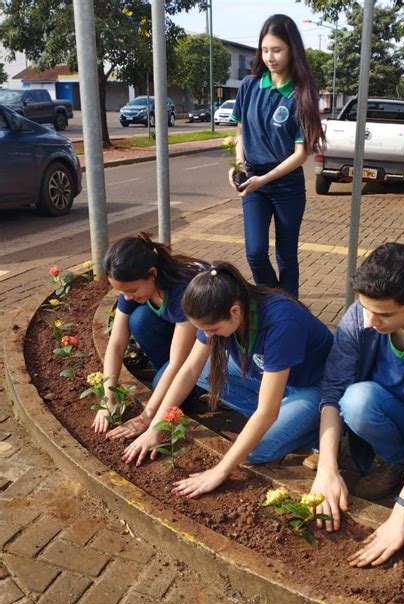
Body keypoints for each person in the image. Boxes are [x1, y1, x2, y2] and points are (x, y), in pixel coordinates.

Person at [122, 262, 333, 497]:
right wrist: (155, 427)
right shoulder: (220, 309)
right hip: (272, 378)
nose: (207, 335)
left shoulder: (282, 322)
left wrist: (220, 471)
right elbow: (190, 369)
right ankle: (288, 419)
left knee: (254, 451)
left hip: (313, 388)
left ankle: (314, 430)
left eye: (211, 330)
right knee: (202, 372)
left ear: (234, 312)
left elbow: (267, 411)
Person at [305, 243, 404, 566]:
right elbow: (333, 390)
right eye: (366, 308)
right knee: (355, 400)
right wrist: (328, 467)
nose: (370, 321)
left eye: (383, 314)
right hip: (396, 414)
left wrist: (402, 513)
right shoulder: (361, 314)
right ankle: (399, 462)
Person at [228, 14, 324, 298]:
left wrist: (264, 179)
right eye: (265, 49)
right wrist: (237, 166)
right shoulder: (249, 86)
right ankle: (275, 300)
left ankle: (289, 310)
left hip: (286, 185)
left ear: (292, 49)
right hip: (253, 180)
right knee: (255, 253)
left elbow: (300, 155)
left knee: (286, 257)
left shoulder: (302, 94)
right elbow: (240, 133)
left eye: (277, 50)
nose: (270, 57)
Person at [93, 233, 207, 439]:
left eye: (132, 290)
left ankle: (195, 389)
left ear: (152, 273)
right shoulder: (134, 285)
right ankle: (174, 387)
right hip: (177, 332)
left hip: (215, 346)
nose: (127, 297)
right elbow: (116, 343)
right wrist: (107, 400)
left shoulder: (183, 292)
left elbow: (178, 362)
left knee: (160, 385)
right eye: (123, 292)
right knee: (138, 319)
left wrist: (146, 418)